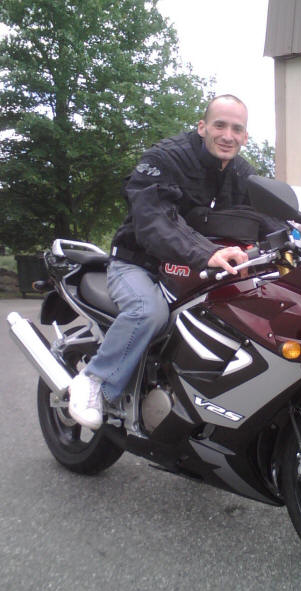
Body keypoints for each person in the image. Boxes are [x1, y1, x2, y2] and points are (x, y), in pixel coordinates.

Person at [68, 94, 255, 430]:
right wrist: (205, 252)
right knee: (148, 312)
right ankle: (94, 381)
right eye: (220, 125)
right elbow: (154, 220)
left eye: (236, 129)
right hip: (139, 264)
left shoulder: (242, 173)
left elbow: (265, 215)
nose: (228, 135)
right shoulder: (166, 157)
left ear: (245, 136)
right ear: (202, 127)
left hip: (192, 271)